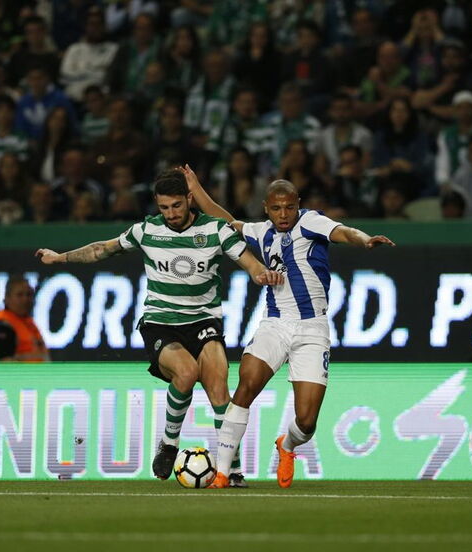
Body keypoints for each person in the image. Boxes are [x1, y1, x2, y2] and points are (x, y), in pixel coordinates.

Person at [35, 169, 283, 487]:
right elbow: (102, 249)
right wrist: (60, 259)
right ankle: (169, 443)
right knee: (187, 372)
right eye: (164, 207)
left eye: (177, 206)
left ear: (189, 200)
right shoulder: (146, 231)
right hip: (161, 322)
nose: (171, 214)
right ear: (157, 203)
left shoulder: (216, 230)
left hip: (205, 321)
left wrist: (263, 274)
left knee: (220, 393)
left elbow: (250, 263)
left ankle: (231, 471)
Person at [179, 165, 395, 490]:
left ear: (298, 204)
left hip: (313, 329)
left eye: (289, 207)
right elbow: (224, 221)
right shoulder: (260, 231)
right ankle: (222, 473)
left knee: (306, 422)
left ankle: (288, 445)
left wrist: (364, 240)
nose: (284, 214)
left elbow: (344, 231)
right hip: (275, 324)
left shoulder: (311, 222)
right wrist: (195, 190)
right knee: (247, 384)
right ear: (266, 208)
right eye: (277, 208)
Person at [0, 275, 50, 362]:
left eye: (29, 294)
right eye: (20, 295)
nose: (25, 299)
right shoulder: (2, 326)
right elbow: (3, 364)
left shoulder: (29, 323)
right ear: (7, 298)